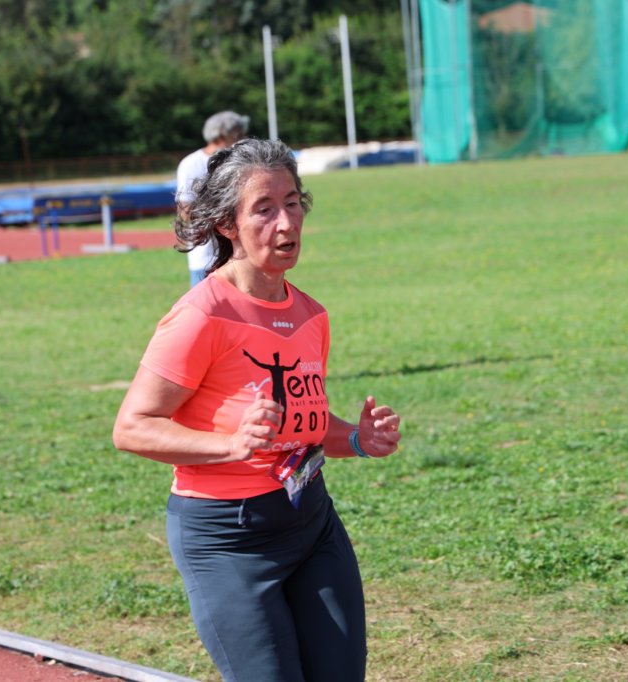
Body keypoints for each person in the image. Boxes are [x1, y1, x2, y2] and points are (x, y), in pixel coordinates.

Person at [113, 138, 401, 682]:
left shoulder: (311, 314)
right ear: (228, 224)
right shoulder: (201, 315)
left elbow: (303, 426)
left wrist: (357, 439)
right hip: (228, 539)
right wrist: (229, 445)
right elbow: (131, 427)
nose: (285, 223)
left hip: (311, 523)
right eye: (263, 209)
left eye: (292, 203)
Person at [175, 110, 250, 287]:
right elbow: (185, 212)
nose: (242, 138)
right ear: (222, 134)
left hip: (240, 254)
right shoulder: (192, 164)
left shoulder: (239, 161)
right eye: (238, 133)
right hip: (207, 256)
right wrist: (223, 216)